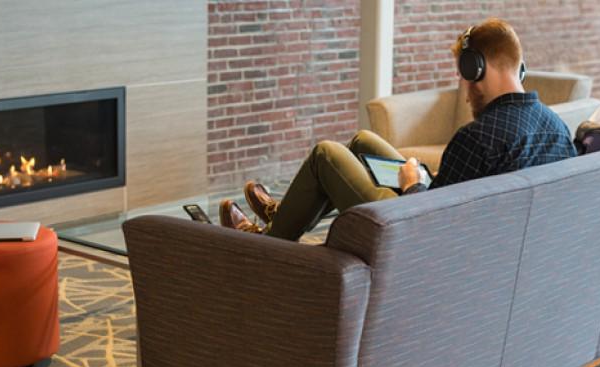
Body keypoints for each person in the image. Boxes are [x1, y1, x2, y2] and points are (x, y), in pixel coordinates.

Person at [219, 18, 576, 241]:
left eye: (463, 75)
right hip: (490, 236)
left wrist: (415, 185)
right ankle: (285, 213)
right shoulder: (558, 128)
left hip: (415, 237)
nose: (465, 91)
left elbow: (430, 227)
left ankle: (267, 240)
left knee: (325, 154)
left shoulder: (476, 138)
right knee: (363, 141)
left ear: (475, 68)